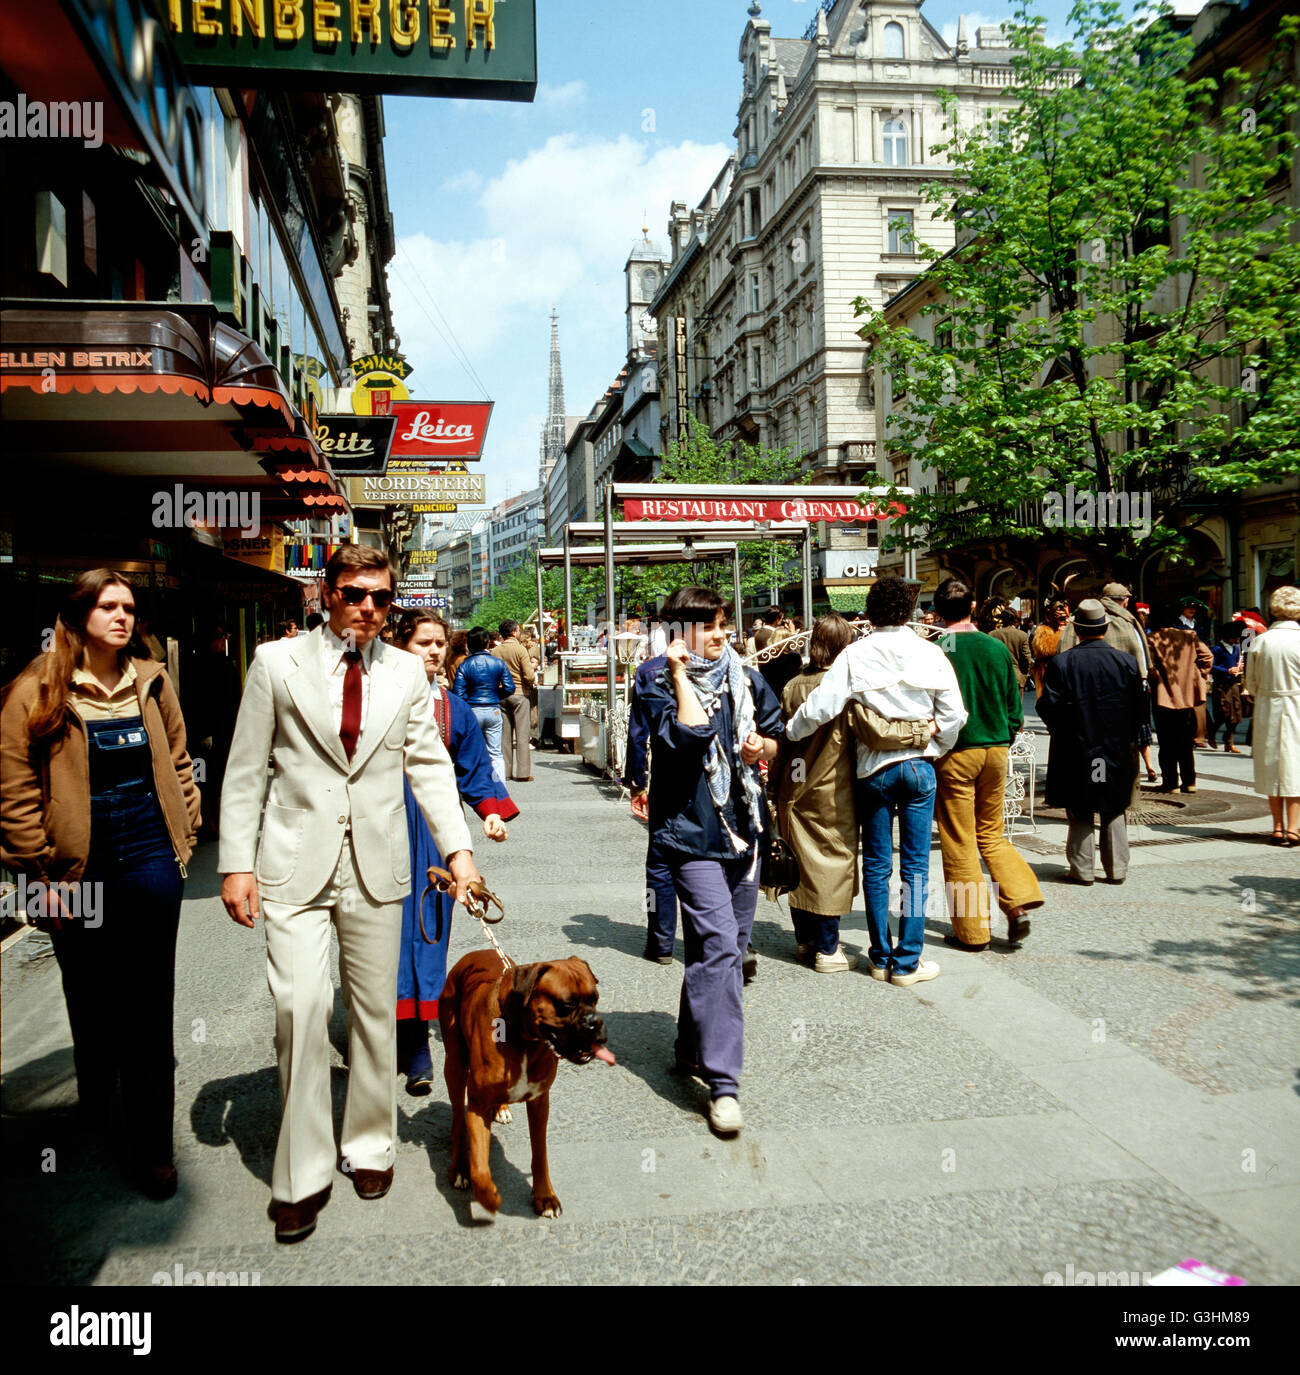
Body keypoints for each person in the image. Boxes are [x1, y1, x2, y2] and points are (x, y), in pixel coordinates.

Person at [217, 545, 481, 1244]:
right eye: (354, 593)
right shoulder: (277, 663)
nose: (367, 607)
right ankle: (300, 1175)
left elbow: (428, 765)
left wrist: (459, 851)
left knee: (373, 1015)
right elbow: (245, 768)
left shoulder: (406, 673)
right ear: (325, 593)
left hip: (377, 861)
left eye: (381, 597)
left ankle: (370, 1143)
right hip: (294, 861)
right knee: (301, 1009)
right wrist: (234, 862)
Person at [1, 570, 201, 1200]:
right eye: (108, 606)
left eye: (128, 607)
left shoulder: (151, 679)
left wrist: (184, 837)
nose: (122, 616)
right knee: (89, 991)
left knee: (147, 1006)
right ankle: (95, 1095)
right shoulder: (35, 688)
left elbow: (177, 758)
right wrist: (36, 877)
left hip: (147, 854)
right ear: (79, 613)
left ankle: (152, 1150)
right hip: (71, 868)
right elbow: (14, 791)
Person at [630, 586, 783, 1136]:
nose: (722, 635)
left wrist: (759, 750)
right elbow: (688, 734)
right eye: (709, 627)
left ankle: (690, 1047)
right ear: (678, 634)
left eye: (723, 624)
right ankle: (723, 1084)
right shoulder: (653, 679)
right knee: (720, 945)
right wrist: (678, 673)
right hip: (689, 833)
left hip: (744, 833)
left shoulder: (743, 676)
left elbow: (775, 736)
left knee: (723, 952)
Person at [787, 576, 967, 987]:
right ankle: (908, 962)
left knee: (876, 865)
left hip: (873, 769)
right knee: (917, 866)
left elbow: (820, 706)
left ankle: (880, 956)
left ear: (870, 610)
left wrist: (791, 731)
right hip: (919, 767)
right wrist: (935, 745)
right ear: (908, 612)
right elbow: (955, 715)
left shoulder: (855, 654)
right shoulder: (930, 652)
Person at [392, 610, 517, 1093]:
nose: (435, 650)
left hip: (433, 835)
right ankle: (386, 1032)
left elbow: (472, 768)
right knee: (384, 934)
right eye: (424, 642)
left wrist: (489, 810)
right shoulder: (376, 698)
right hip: (376, 829)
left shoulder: (451, 707)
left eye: (440, 642)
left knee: (428, 930)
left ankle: (418, 1040)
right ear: (401, 645)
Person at [774, 613, 928, 972]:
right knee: (832, 865)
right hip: (833, 788)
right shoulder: (844, 686)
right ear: (844, 647)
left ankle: (806, 940)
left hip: (793, 788)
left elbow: (782, 742)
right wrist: (921, 732)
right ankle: (828, 949)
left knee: (799, 863)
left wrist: (773, 787)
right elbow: (876, 732)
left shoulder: (792, 685)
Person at [932, 578, 1045, 951]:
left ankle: (973, 932)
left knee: (960, 841)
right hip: (996, 749)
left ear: (936, 611)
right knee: (991, 833)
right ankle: (1017, 903)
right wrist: (1005, 734)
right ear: (973, 604)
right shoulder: (994, 647)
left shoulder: (937, 649)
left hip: (956, 752)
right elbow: (1016, 706)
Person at [1040, 600, 1146, 884]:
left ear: (1077, 629)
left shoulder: (1063, 662)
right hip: (1114, 747)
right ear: (1105, 627)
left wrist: (1061, 729)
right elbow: (1140, 709)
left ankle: (1082, 869)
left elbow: (1048, 705)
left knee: (1079, 807)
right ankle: (1117, 869)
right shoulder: (1126, 662)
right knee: (1114, 806)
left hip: (1076, 747)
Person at [1244, 585, 1300, 846]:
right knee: (1295, 767)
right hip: (1297, 705)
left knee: (1271, 768)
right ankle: (1294, 829)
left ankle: (1277, 828)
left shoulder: (1260, 641)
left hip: (1268, 706)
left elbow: (1251, 684)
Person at [1147, 608, 1213, 794]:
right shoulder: (1189, 636)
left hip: (1163, 695)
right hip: (1187, 694)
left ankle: (1171, 782)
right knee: (1185, 740)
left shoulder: (1152, 639)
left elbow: (1149, 667)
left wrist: (1157, 679)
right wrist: (1198, 675)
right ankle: (1190, 782)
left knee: (1166, 741)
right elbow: (1207, 656)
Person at [453, 627, 515, 783]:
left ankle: (477, 785)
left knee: (473, 750)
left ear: (470, 644)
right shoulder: (498, 663)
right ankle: (500, 788)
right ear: (487, 643)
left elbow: (458, 693)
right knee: (495, 753)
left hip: (473, 710)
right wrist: (494, 696)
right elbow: (509, 688)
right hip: (493, 710)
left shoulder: (465, 665)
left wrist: (471, 699)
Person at [493, 619, 536, 782]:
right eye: (518, 630)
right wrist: (529, 683)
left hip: (501, 695)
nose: (519, 633)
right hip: (519, 694)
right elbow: (528, 675)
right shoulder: (520, 650)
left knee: (504, 736)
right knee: (522, 735)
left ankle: (506, 772)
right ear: (514, 632)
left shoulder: (496, 651)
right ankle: (523, 773)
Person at [1208, 623, 1245, 753]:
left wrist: (1239, 667)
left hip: (1233, 684)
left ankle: (1229, 742)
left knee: (1236, 713)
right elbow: (1211, 667)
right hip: (1221, 685)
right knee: (1223, 713)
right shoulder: (1217, 649)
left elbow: (1236, 663)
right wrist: (1227, 670)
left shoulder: (1237, 649)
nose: (1234, 640)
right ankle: (1211, 733)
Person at [1030, 597, 1070, 698]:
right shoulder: (1042, 631)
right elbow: (1047, 649)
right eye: (1061, 618)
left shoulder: (1070, 629)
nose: (1064, 620)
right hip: (1048, 676)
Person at [989, 605, 1033, 690]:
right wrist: (1024, 675)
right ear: (1014, 619)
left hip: (998, 676)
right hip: (1017, 676)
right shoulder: (1022, 635)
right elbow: (1027, 658)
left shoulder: (992, 634)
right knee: (1017, 703)